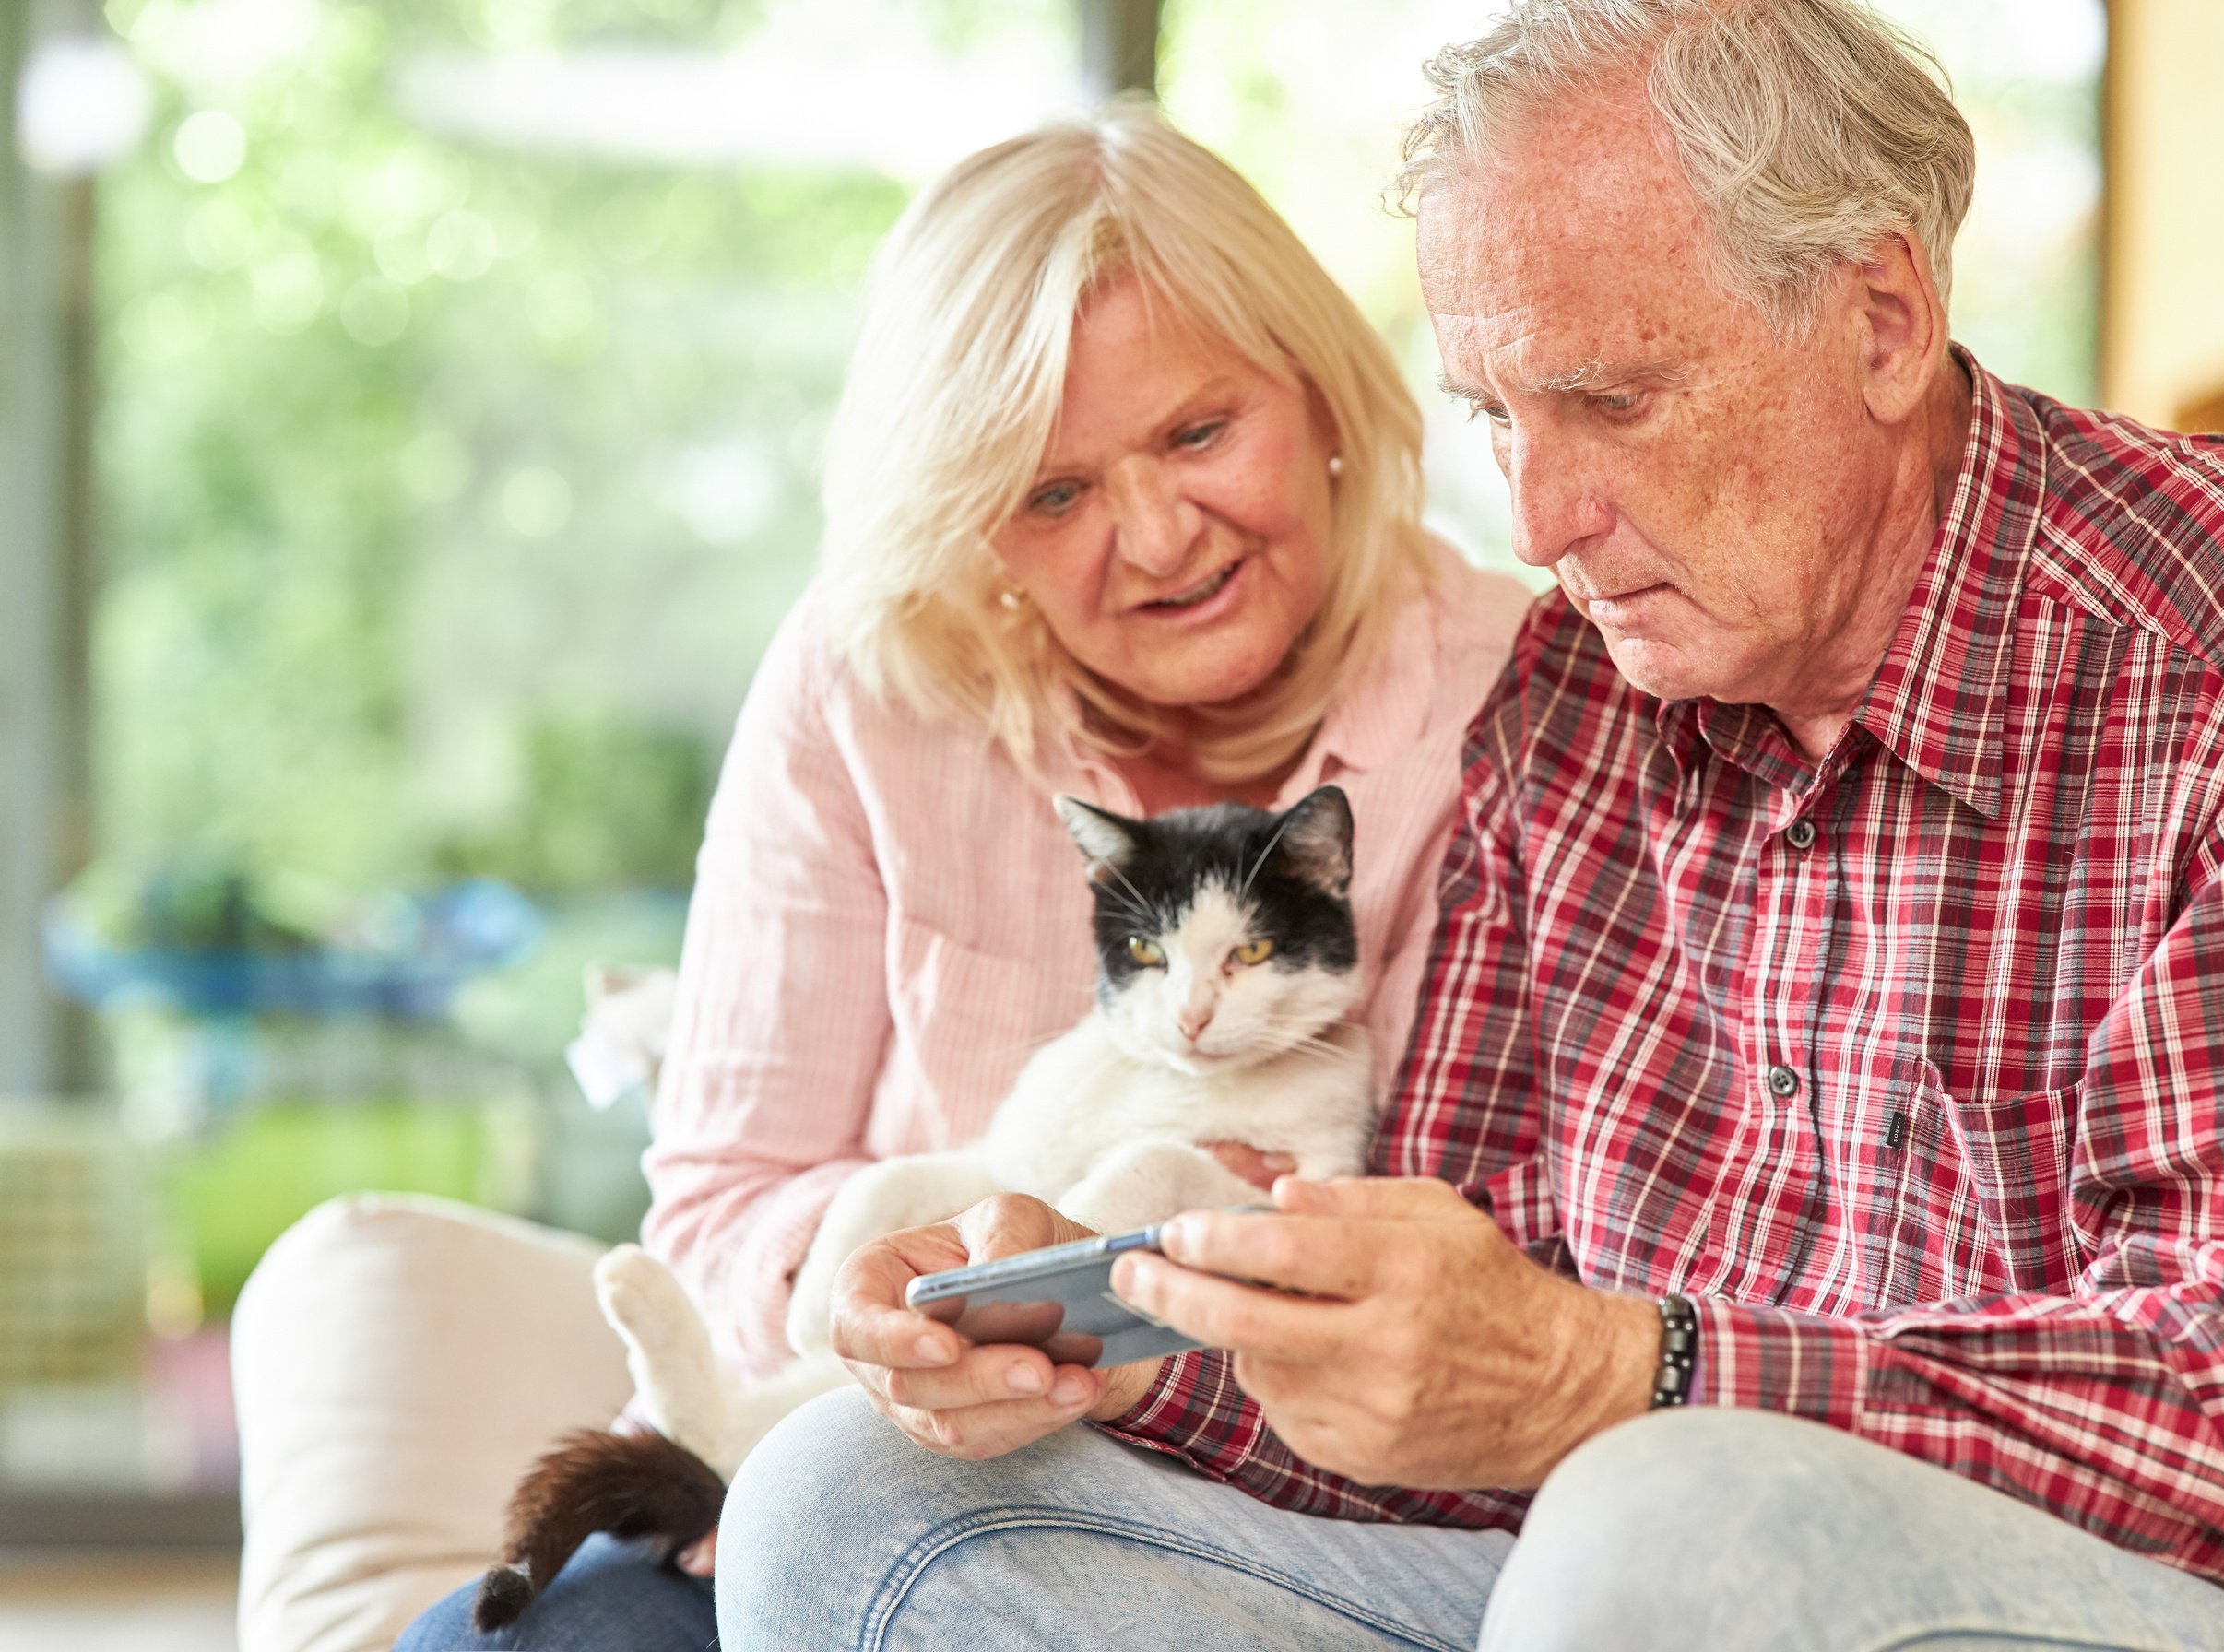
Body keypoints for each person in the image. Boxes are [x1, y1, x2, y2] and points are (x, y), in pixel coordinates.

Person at [724, 3, 2224, 1649]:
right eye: (1499, 416)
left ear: (1880, 316)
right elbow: (1467, 1362)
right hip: (1595, 1580)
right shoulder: (1575, 694)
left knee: (1677, 1514)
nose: (1544, 515)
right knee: (856, 1502)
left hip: (2221, 1600)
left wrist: (1636, 1380)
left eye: (1613, 401)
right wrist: (1101, 1338)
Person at [389, 107, 1531, 1651]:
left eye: (1199, 435)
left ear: (1324, 395)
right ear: (973, 522)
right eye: (1053, 495)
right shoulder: (871, 687)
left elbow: (1522, 1264)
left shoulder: (1522, 697)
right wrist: (876, 1315)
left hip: (1275, 1514)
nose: (1154, 535)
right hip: (847, 1447)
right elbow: (723, 1196)